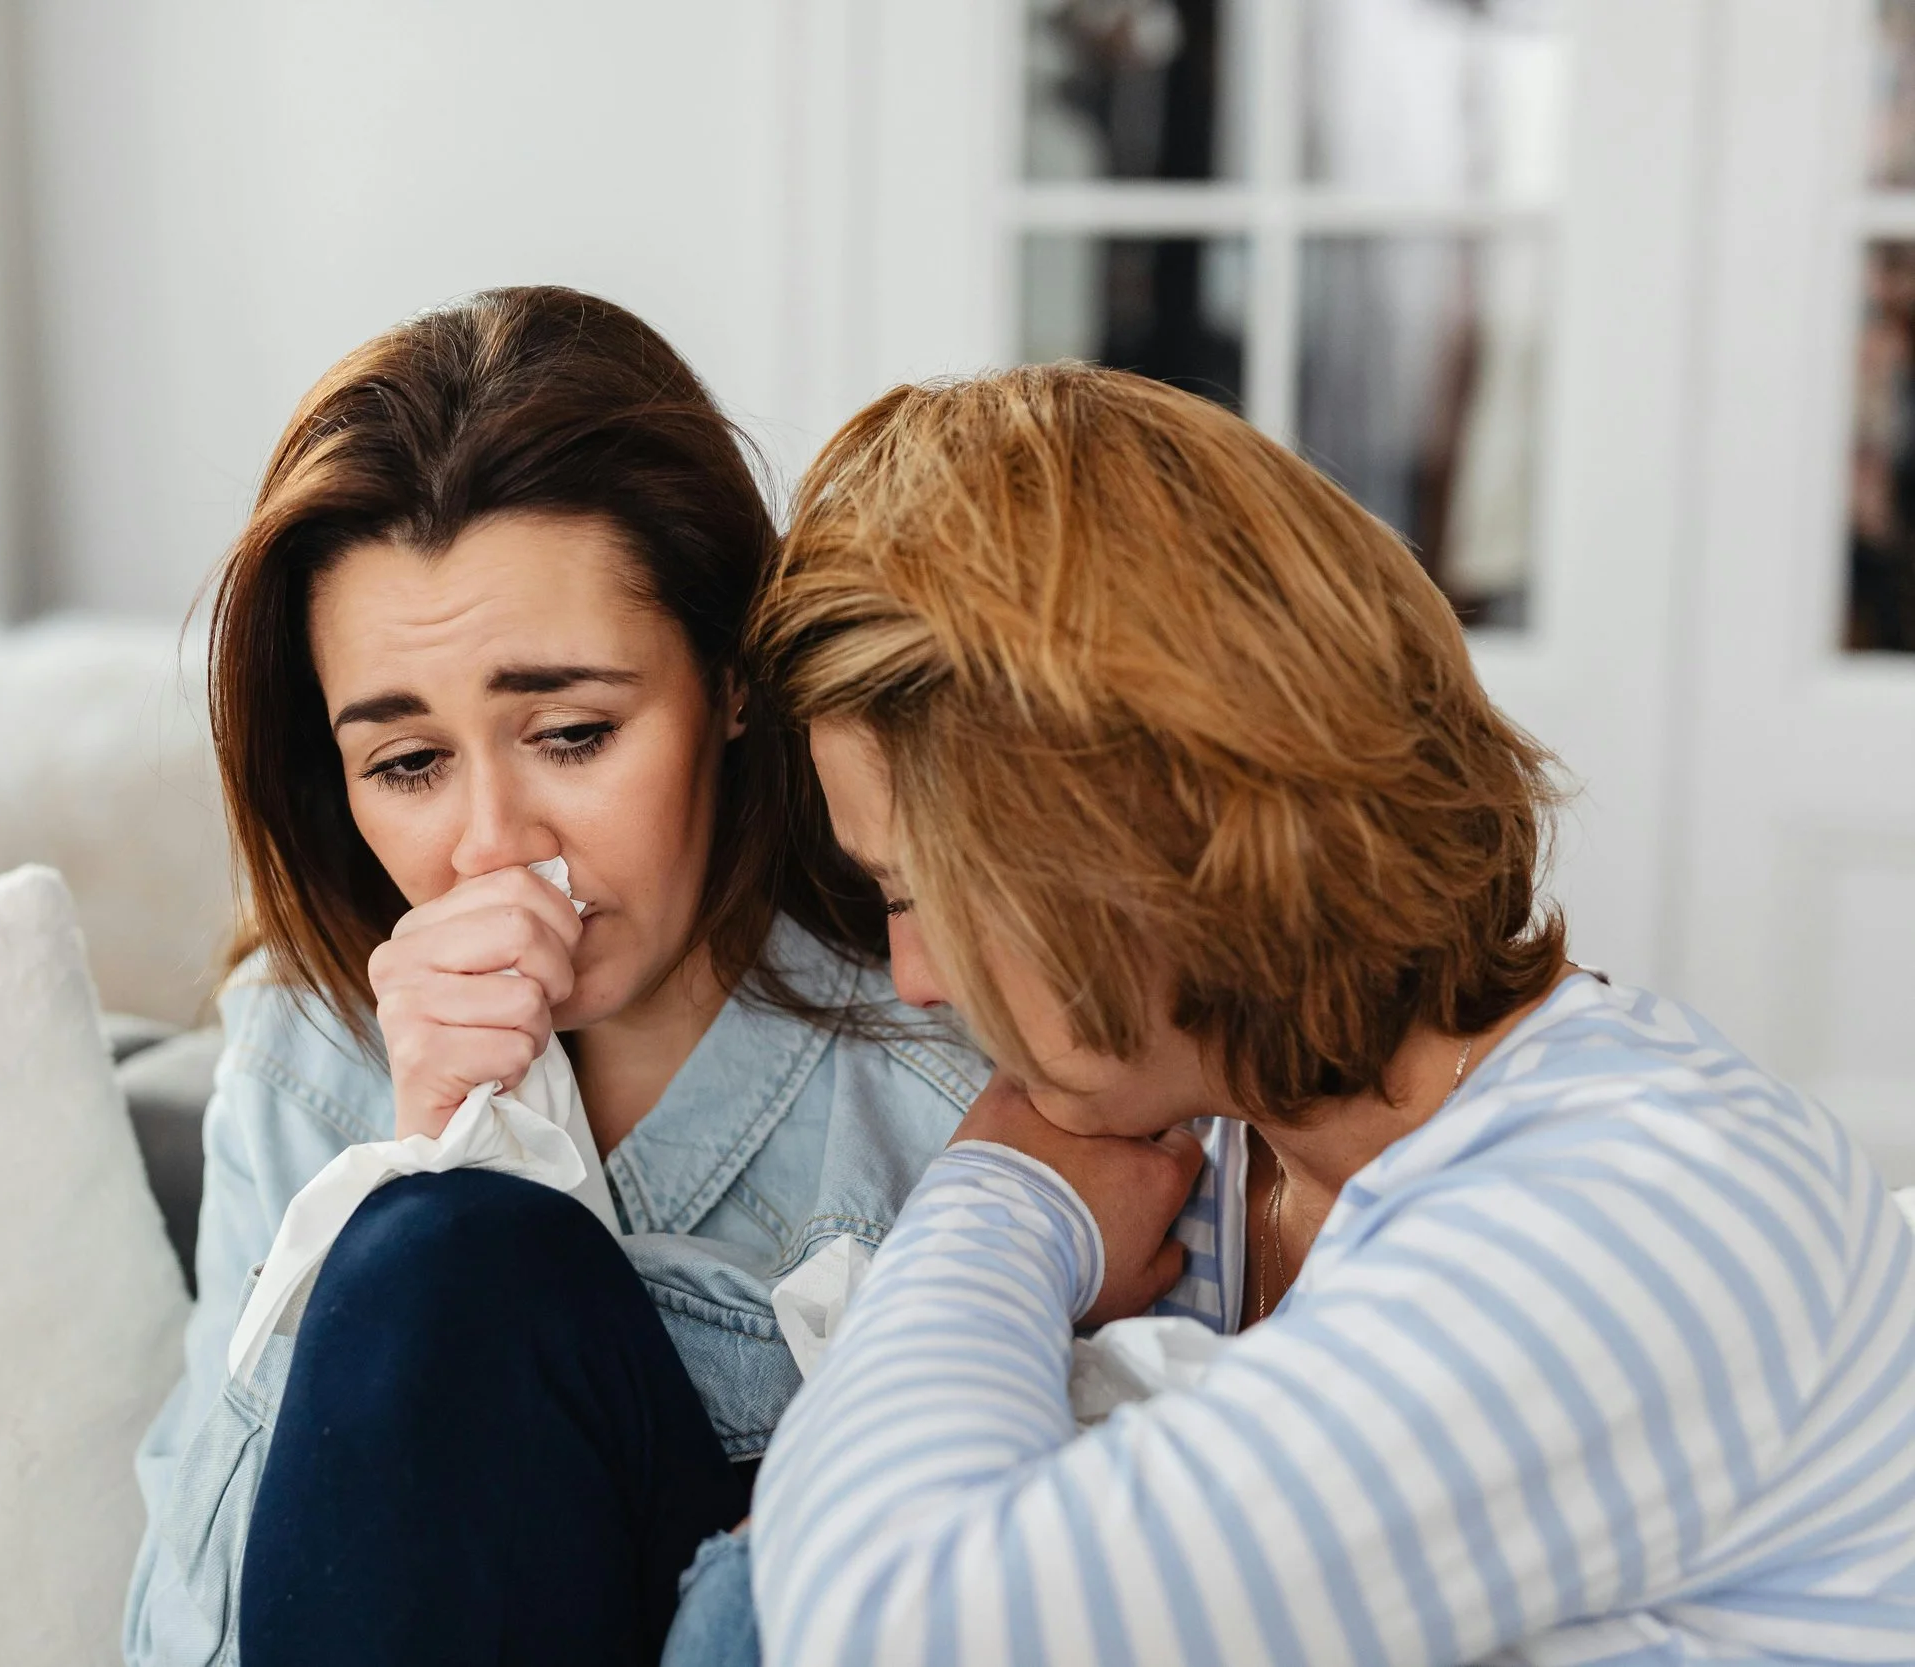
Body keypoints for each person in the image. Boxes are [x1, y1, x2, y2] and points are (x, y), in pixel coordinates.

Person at [735, 363, 1915, 1663]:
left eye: (923, 894)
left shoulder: (1641, 1217)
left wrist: (1003, 1200)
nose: (916, 977)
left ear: (1134, 832)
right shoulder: (1228, 1153)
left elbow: (883, 1630)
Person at [120, 287, 980, 1667]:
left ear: (732, 681)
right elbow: (187, 1639)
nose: (490, 845)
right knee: (426, 1244)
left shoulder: (939, 1059)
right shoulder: (311, 1041)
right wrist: (411, 1158)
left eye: (573, 733)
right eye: (406, 764)